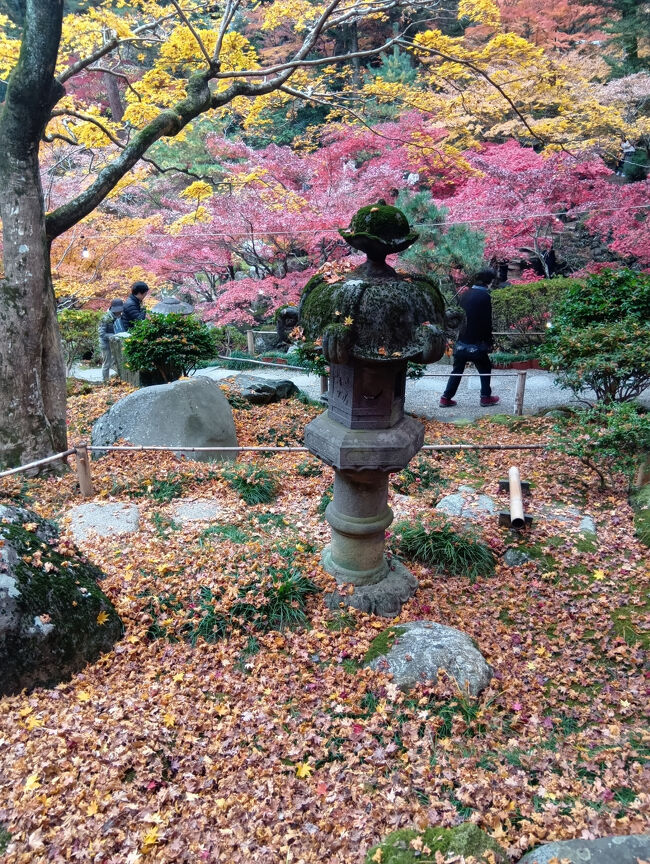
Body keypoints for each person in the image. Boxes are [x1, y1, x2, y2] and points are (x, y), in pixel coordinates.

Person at [440, 269, 500, 408]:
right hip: (476, 343)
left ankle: (446, 397)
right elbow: (486, 322)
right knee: (485, 368)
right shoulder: (485, 297)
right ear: (489, 282)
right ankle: (485, 397)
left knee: (457, 370)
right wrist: (489, 342)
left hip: (462, 341)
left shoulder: (465, 294)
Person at [98, 299, 125, 383]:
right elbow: (101, 333)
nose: (119, 312)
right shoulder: (105, 318)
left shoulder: (119, 316)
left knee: (115, 362)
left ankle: (115, 379)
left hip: (115, 343)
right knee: (107, 363)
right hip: (106, 344)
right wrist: (113, 336)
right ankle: (105, 381)